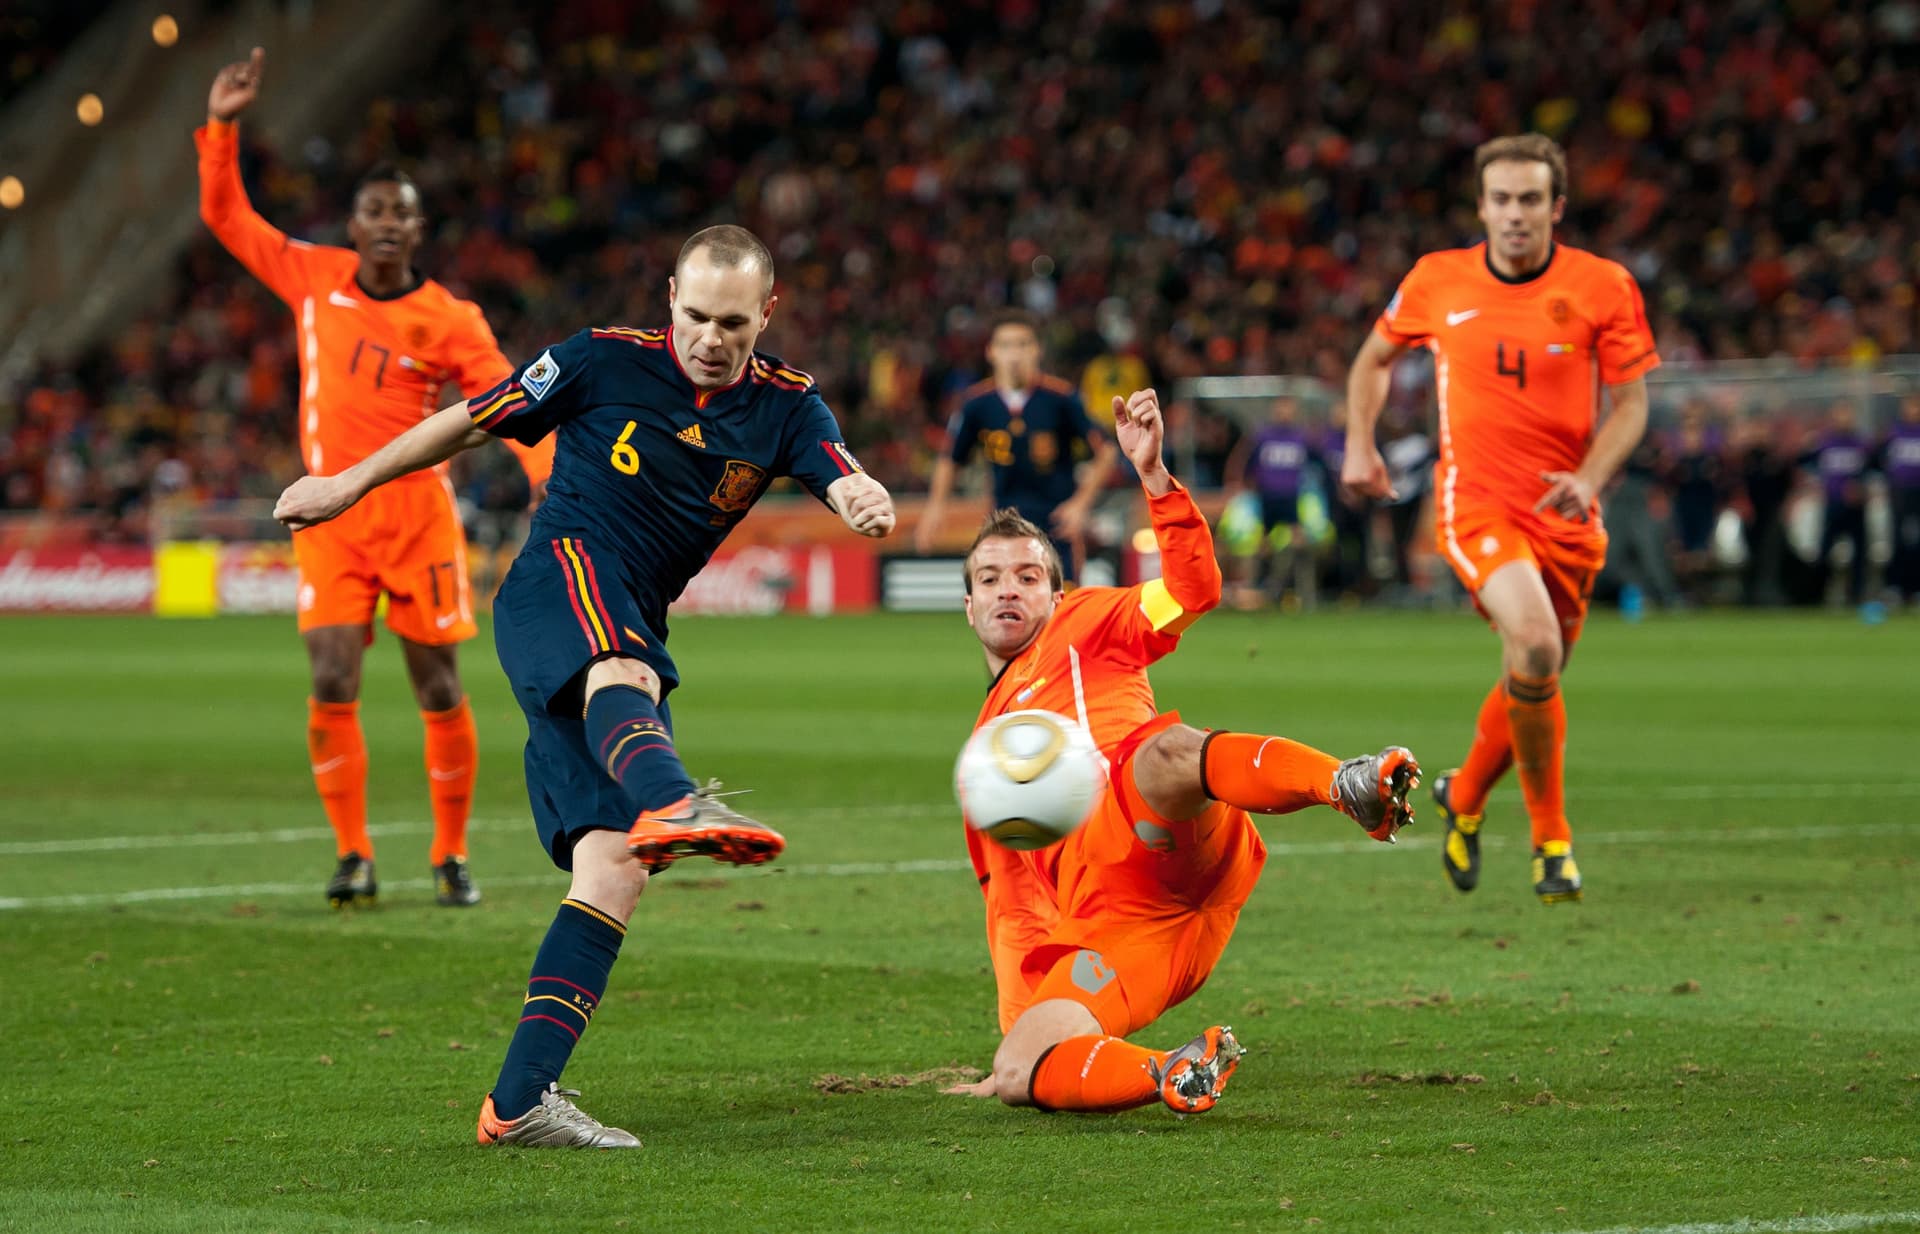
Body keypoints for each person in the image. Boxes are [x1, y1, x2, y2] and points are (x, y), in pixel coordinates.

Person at [275, 225, 897, 1147]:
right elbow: (473, 417)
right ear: (669, 300)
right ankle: (674, 800)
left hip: (624, 620)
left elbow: (839, 470)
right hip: (557, 580)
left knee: (612, 866)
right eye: (695, 315)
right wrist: (350, 482)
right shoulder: (599, 361)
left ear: (766, 314)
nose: (711, 338)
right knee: (625, 666)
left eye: (734, 321)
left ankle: (519, 1102)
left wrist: (860, 497)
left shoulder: (788, 408)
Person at [942, 387, 1419, 1116]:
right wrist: (1027, 1028)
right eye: (990, 579)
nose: (1010, 591)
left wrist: (1155, 476)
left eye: (1028, 576)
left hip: (1168, 836)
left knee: (1162, 752)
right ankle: (1172, 1069)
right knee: (1015, 1072)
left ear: (1057, 591)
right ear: (968, 605)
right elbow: (1014, 910)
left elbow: (1194, 589)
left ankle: (1345, 784)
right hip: (1127, 930)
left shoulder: (1092, 619)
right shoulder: (987, 756)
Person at [199, 49, 554, 909]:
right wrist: (221, 126)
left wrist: (547, 475)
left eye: (402, 212)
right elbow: (227, 217)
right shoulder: (314, 278)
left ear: (418, 230)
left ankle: (451, 854)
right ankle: (353, 854)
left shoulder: (449, 318)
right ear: (352, 226)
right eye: (373, 211)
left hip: (418, 519)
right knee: (330, 678)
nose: (387, 223)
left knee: (438, 685)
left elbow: (508, 399)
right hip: (329, 516)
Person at [1344, 133, 1658, 906]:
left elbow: (1633, 405)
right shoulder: (1436, 280)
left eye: (1529, 200)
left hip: (1567, 511)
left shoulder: (1603, 286)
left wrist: (1589, 479)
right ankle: (1553, 842)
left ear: (1556, 207)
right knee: (1537, 641)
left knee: (1533, 671)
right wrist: (1360, 443)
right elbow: (1372, 360)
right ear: (1480, 207)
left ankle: (1466, 795)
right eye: (1501, 200)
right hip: (1477, 500)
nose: (1514, 215)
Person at [915, 309, 1115, 579]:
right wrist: (935, 508)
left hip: (1056, 522)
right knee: (1010, 606)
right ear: (991, 352)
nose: (1015, 354)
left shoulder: (1062, 398)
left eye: (1023, 344)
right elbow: (950, 458)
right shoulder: (976, 404)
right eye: (1006, 345)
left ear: (1037, 350)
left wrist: (1080, 504)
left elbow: (1106, 451)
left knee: (1064, 610)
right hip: (1004, 523)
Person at [1221, 395, 1317, 607]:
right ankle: (1257, 591)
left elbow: (1316, 465)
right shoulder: (1263, 437)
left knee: (1298, 543)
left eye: (1288, 408)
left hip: (1291, 498)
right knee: (1261, 545)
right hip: (1267, 498)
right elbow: (1246, 463)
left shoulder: (1301, 438)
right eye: (1281, 408)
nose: (1284, 413)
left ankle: (1302, 592)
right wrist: (1242, 484)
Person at [1876, 394, 1920, 606]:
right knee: (1897, 540)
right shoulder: (1894, 433)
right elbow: (1879, 460)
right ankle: (1895, 587)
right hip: (1900, 494)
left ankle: (1915, 587)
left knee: (1917, 542)